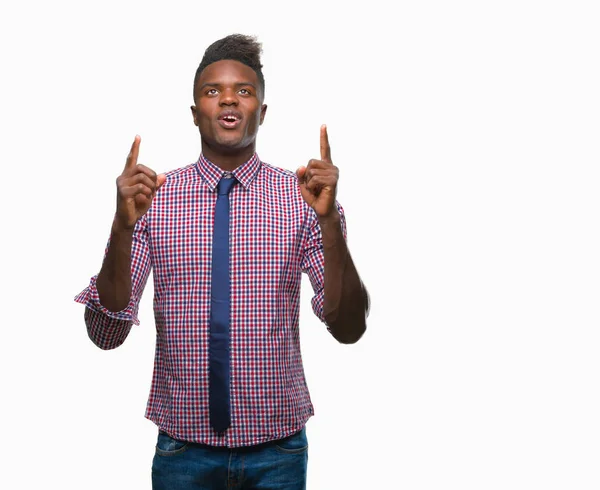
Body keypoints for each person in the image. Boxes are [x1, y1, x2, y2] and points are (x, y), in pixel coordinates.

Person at [75, 33, 369, 489]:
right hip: (183, 453)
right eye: (212, 91)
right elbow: (105, 333)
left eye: (244, 91)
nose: (228, 99)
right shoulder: (153, 198)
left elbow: (349, 327)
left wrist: (330, 222)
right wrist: (121, 226)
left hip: (279, 451)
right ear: (195, 114)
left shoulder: (304, 199)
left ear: (262, 112)